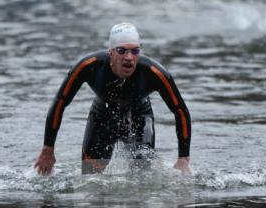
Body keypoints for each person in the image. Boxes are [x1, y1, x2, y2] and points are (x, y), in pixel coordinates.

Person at [34, 23, 192, 175]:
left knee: (141, 178)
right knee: (91, 178)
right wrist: (48, 149)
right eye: (122, 50)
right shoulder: (89, 66)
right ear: (111, 52)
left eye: (135, 51)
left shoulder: (154, 73)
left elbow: (180, 111)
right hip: (102, 115)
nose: (129, 57)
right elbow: (60, 103)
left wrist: (183, 158)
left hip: (140, 117)